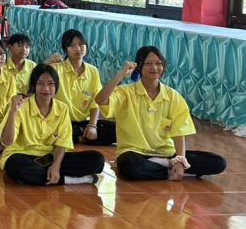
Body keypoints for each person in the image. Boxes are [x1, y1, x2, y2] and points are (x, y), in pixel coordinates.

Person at [97, 46, 227, 181]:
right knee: (131, 167)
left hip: (167, 153)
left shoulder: (173, 96)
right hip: (134, 153)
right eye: (148, 63)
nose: (154, 68)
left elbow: (179, 133)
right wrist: (120, 74)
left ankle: (165, 166)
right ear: (139, 66)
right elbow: (100, 100)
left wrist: (180, 160)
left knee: (218, 162)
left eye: (159, 63)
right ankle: (169, 169)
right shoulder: (125, 93)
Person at [0, 64, 105, 186]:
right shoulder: (20, 106)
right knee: (15, 166)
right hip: (23, 156)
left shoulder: (62, 108)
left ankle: (43, 176)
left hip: (49, 157)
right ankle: (70, 180)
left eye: (51, 84)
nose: (46, 88)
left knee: (97, 159)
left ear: (56, 86)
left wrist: (56, 165)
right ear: (33, 86)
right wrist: (13, 112)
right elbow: (7, 141)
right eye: (41, 84)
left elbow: (62, 143)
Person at [47, 29, 115, 145]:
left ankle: (79, 135)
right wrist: (47, 62)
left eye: (81, 44)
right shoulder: (56, 69)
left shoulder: (92, 70)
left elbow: (95, 101)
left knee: (117, 131)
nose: (78, 49)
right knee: (52, 133)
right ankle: (78, 137)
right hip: (60, 122)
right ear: (65, 49)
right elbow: (35, 79)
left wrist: (92, 125)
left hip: (84, 122)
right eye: (72, 46)